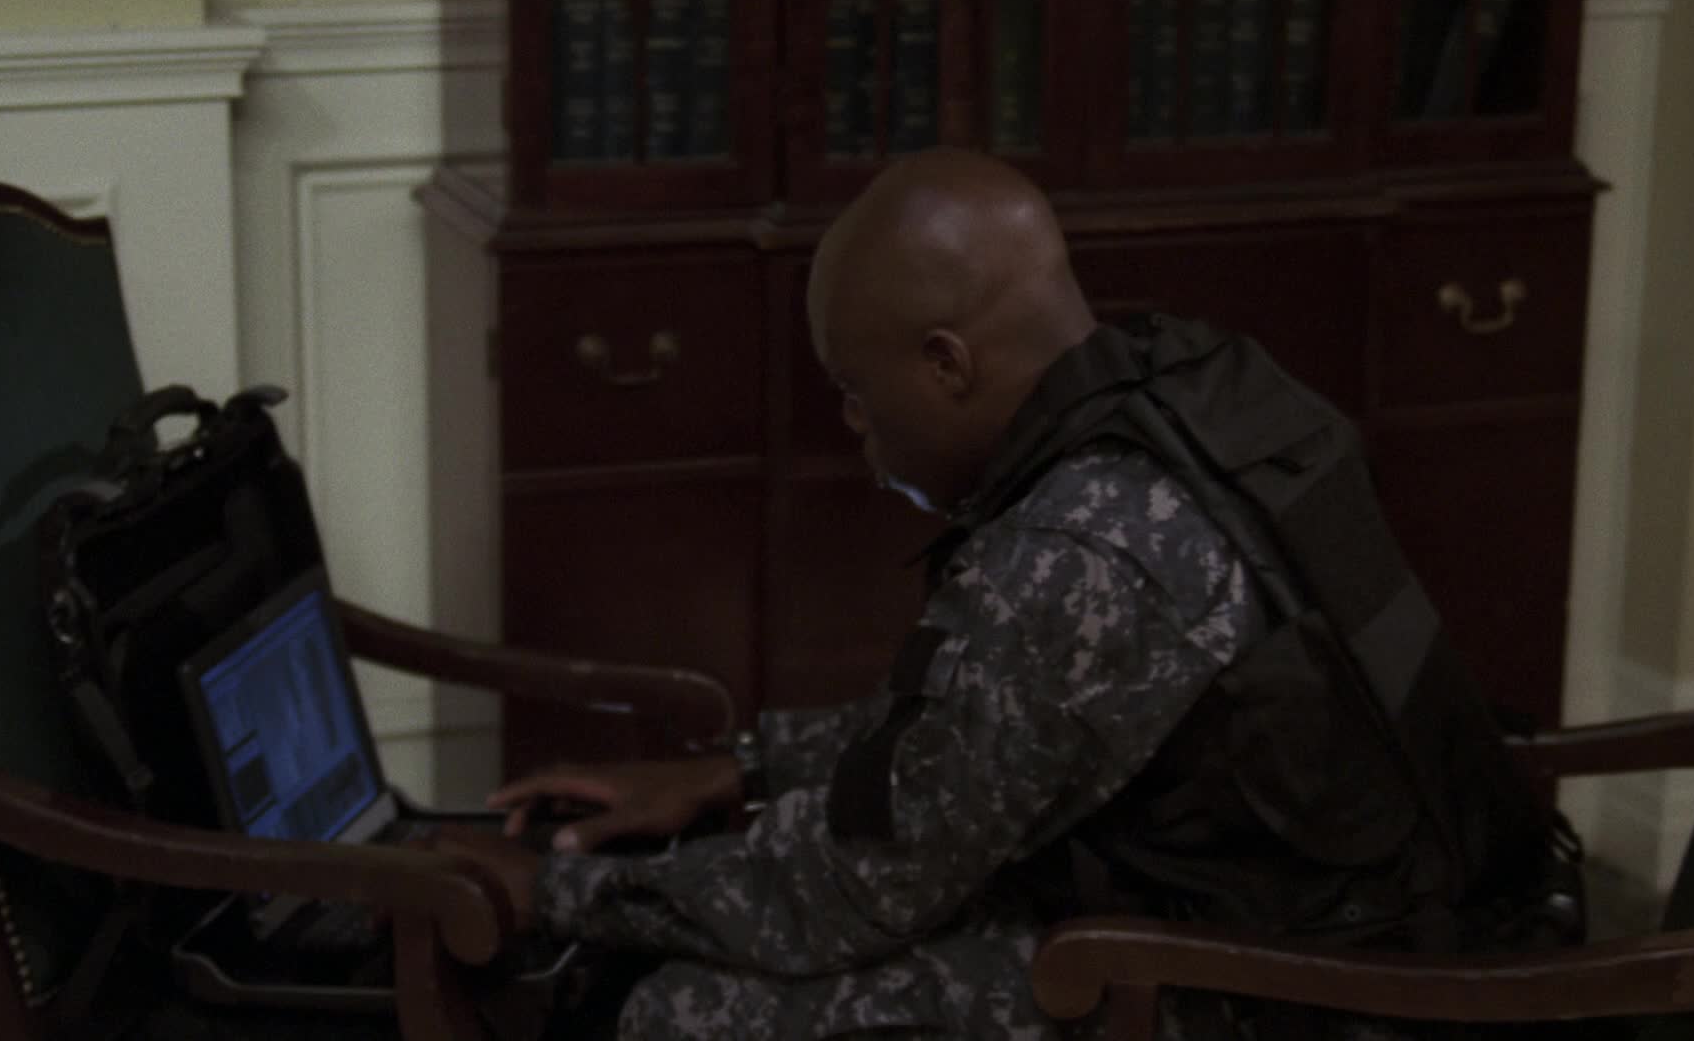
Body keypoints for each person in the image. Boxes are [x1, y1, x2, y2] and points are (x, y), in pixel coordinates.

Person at [433, 149, 1566, 1040]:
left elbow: (843, 895)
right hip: (1401, 920)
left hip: (1315, 1000)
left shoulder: (1074, 549)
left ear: (946, 363)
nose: (853, 424)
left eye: (856, 389)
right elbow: (986, 740)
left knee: (683, 1010)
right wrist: (748, 769)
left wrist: (549, 895)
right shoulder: (1191, 399)